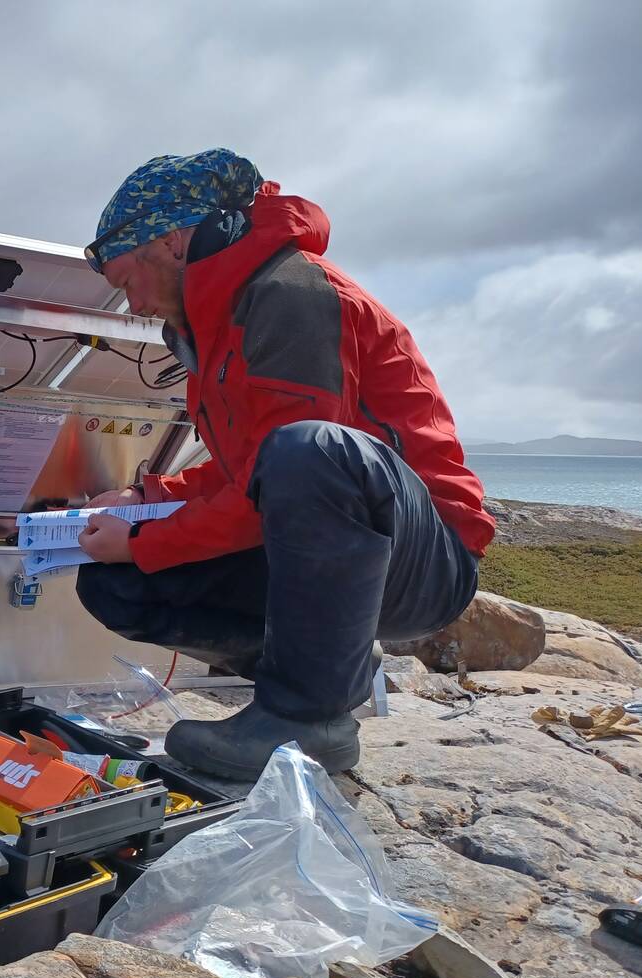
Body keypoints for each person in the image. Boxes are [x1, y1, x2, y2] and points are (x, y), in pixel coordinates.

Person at [74, 149, 494, 780]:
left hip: (423, 563)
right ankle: (329, 663)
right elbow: (251, 471)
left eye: (124, 279)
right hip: (340, 551)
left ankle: (307, 718)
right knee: (114, 583)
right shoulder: (219, 319)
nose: (130, 305)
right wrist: (149, 499)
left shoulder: (290, 294)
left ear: (174, 243)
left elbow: (299, 465)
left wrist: (144, 537)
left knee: (308, 451)